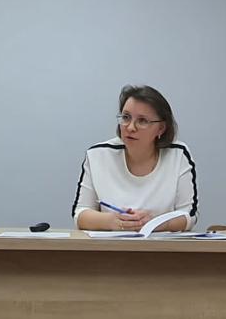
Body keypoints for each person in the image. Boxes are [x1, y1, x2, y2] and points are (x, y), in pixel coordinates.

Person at [72, 85, 198, 232]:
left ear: (161, 128)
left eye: (142, 121)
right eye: (126, 118)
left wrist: (155, 223)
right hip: (110, 244)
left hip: (160, 245)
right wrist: (111, 221)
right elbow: (80, 213)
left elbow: (189, 215)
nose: (131, 127)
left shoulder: (178, 154)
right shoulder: (98, 155)